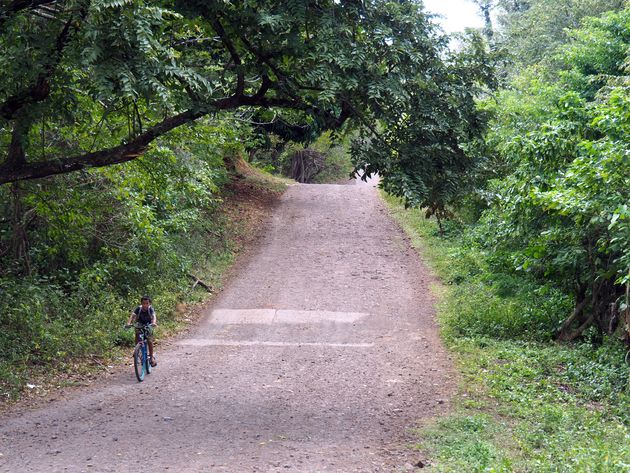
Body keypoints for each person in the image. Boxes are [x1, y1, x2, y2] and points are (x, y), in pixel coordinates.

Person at [127, 295, 158, 367]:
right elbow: (133, 316)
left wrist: (153, 323)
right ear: (141, 303)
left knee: (149, 340)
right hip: (140, 324)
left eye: (147, 303)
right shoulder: (139, 309)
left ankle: (151, 357)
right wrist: (128, 323)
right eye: (143, 303)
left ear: (149, 304)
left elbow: (154, 316)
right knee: (137, 333)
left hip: (148, 324)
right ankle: (137, 349)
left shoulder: (150, 309)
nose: (145, 305)